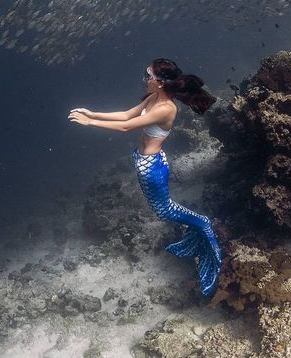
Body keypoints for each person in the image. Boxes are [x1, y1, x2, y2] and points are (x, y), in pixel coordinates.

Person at [68, 58, 223, 297]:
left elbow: (126, 127)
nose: (144, 79)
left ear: (160, 83)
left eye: (147, 76)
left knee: (164, 211)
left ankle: (202, 224)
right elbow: (126, 115)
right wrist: (93, 112)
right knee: (163, 209)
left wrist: (90, 123)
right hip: (146, 163)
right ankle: (197, 230)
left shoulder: (165, 108)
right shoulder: (154, 99)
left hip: (152, 168)